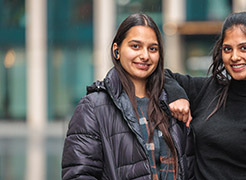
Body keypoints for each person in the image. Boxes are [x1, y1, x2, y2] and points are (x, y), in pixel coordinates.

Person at [62, 13, 193, 180]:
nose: (145, 55)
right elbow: (78, 175)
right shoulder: (93, 107)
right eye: (135, 46)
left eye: (152, 48)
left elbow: (189, 168)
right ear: (117, 50)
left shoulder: (172, 105)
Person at [166, 11, 246, 179]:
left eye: (244, 48)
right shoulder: (208, 89)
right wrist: (178, 96)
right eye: (227, 49)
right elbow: (162, 75)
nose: (234, 57)